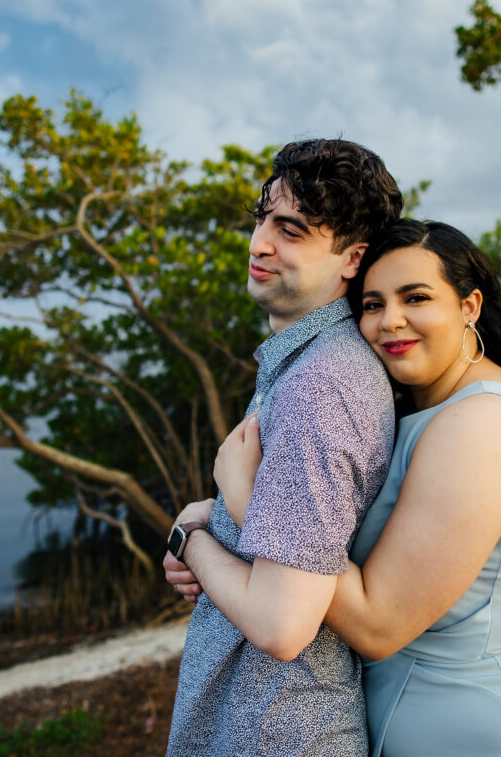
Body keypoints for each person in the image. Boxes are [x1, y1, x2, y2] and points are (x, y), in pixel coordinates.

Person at [186, 219, 501, 757]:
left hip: (482, 728)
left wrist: (245, 501)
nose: (390, 322)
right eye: (373, 304)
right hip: (418, 718)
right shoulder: (424, 405)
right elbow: (327, 533)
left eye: (415, 297)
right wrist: (210, 529)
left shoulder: (482, 428)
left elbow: (378, 623)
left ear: (469, 307)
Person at [163, 138, 403, 757]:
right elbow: (298, 538)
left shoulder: (320, 387)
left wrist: (192, 543)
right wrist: (213, 523)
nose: (259, 243)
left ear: (352, 259)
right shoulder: (304, 367)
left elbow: (282, 623)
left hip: (277, 731)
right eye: (263, 219)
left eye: (291, 230)